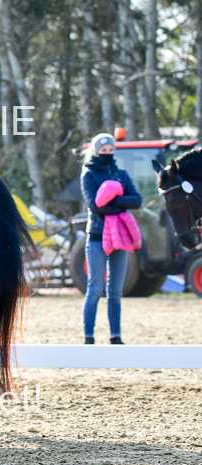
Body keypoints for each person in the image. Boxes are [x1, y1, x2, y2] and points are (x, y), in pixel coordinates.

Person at [80, 133, 141, 345]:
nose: (108, 153)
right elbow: (95, 206)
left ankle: (115, 335)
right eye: (104, 150)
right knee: (95, 287)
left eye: (111, 150)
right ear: (96, 152)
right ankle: (89, 335)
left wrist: (113, 202)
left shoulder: (121, 174)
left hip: (120, 237)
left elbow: (137, 200)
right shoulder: (88, 174)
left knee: (115, 290)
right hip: (97, 236)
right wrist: (121, 205)